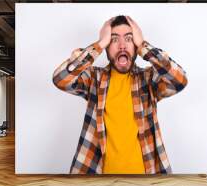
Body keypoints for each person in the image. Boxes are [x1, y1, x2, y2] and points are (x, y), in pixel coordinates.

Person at [53, 15, 188, 174]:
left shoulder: (149, 79)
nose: (122, 46)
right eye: (114, 40)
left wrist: (143, 45)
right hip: (96, 179)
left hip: (146, 180)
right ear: (107, 47)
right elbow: (60, 78)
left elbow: (180, 80)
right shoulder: (94, 79)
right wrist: (99, 44)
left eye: (129, 39)